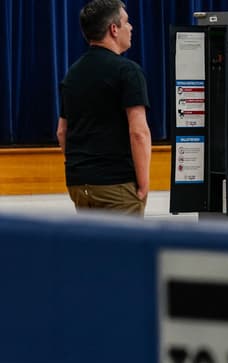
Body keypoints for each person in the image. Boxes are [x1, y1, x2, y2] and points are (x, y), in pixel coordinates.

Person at [57, 0, 151, 216]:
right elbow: (139, 132)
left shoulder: (73, 73)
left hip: (79, 185)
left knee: (93, 248)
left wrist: (81, 170)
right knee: (125, 250)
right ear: (114, 29)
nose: (131, 27)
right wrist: (144, 184)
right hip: (116, 184)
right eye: (126, 22)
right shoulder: (128, 72)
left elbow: (62, 131)